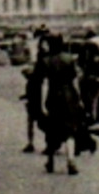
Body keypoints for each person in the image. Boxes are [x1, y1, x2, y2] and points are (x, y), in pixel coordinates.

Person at [35, 33, 84, 175]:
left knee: (52, 129)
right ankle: (71, 160)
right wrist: (79, 98)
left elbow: (44, 84)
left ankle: (50, 161)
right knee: (70, 130)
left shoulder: (46, 61)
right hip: (69, 96)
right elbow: (75, 82)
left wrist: (43, 103)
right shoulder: (69, 59)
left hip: (53, 95)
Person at [21, 38, 46, 153]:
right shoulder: (41, 56)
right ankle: (31, 143)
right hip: (35, 91)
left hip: (39, 90)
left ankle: (35, 143)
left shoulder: (44, 58)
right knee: (33, 119)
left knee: (39, 120)